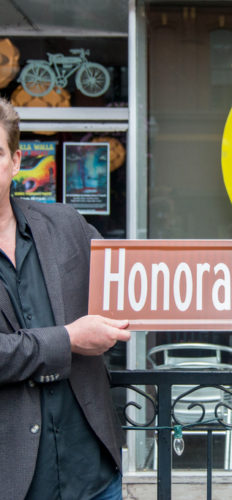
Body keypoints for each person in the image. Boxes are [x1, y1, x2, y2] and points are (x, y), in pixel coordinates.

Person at [0, 97, 131, 500]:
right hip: (14, 482)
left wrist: (229, 308)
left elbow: (138, 285)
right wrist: (69, 339)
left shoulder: (64, 223)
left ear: (16, 160)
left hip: (93, 475)